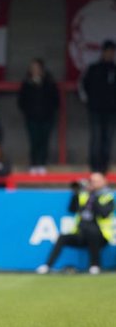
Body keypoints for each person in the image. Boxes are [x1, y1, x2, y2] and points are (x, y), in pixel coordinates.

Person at [37, 172, 114, 275]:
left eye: (96, 181)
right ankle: (47, 266)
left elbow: (104, 214)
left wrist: (93, 196)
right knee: (63, 237)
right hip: (82, 233)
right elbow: (72, 209)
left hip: (101, 236)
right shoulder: (84, 195)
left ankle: (95, 265)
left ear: (104, 182)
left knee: (92, 232)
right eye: (92, 181)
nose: (93, 184)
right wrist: (76, 192)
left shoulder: (108, 196)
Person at [18, 59, 60, 174]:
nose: (35, 70)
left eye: (37, 68)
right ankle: (33, 163)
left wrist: (49, 111)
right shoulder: (26, 83)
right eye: (33, 68)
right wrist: (28, 112)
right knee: (34, 141)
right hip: (31, 118)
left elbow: (56, 100)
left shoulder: (49, 82)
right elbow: (21, 101)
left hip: (47, 117)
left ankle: (42, 163)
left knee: (44, 141)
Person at [81, 40, 116, 173]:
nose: (110, 54)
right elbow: (84, 86)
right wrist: (90, 102)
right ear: (103, 52)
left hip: (112, 111)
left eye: (112, 52)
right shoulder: (93, 68)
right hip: (95, 110)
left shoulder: (114, 69)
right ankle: (94, 167)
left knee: (108, 138)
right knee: (96, 138)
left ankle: (104, 167)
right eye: (108, 51)